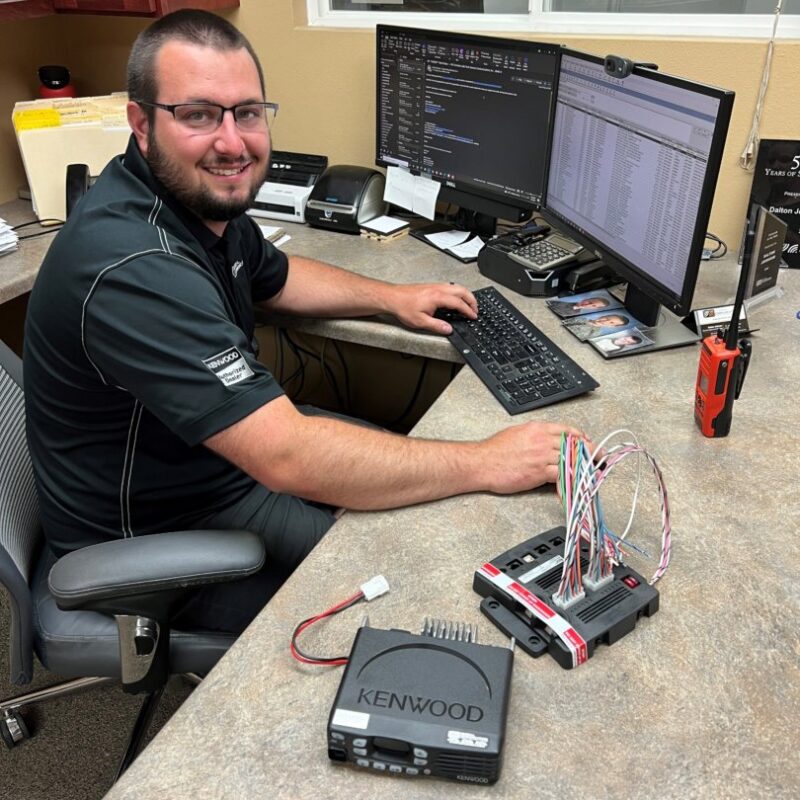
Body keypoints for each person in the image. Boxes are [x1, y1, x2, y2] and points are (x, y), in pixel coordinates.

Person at [23, 10, 588, 634]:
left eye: (247, 112)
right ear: (142, 122)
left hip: (216, 468)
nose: (233, 142)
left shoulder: (191, 202)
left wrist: (391, 297)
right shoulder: (134, 269)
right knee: (414, 583)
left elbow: (276, 275)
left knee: (411, 504)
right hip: (153, 537)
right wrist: (486, 461)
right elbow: (288, 456)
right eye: (198, 115)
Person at [563, 313, 630, 341]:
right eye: (607, 318)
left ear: (612, 326)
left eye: (611, 322)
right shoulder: (582, 317)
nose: (605, 321)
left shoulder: (595, 334)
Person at [546, 294, 613, 318]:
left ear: (594, 309)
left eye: (593, 306)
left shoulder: (576, 313)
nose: (588, 305)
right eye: (590, 302)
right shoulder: (568, 298)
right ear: (587, 299)